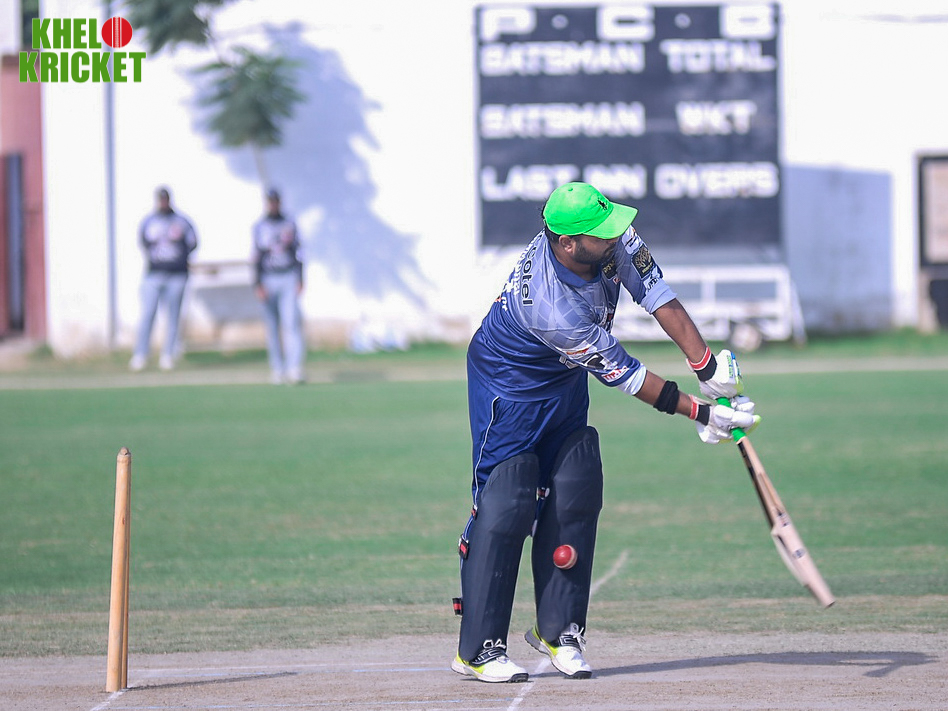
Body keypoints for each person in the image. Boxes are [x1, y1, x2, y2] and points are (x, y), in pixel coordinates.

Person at [451, 182, 759, 683]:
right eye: (602, 233)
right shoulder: (551, 309)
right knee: (507, 500)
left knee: (576, 484)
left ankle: (560, 632)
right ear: (567, 243)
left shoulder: (610, 238)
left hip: (563, 380)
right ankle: (478, 650)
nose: (616, 235)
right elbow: (627, 374)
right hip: (508, 391)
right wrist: (702, 414)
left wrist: (707, 368)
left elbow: (657, 293)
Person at [130, 187, 198, 372]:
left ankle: (168, 354)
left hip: (177, 275)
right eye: (160, 200)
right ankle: (141, 354)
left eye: (165, 199)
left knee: (173, 315)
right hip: (154, 274)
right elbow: (143, 243)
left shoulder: (182, 222)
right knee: (148, 313)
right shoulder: (149, 221)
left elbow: (193, 243)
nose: (163, 203)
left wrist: (178, 260)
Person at [252, 188, 306, 384]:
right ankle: (277, 368)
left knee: (291, 322)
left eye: (275, 201)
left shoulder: (289, 224)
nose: (273, 205)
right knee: (272, 326)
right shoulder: (260, 226)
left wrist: (300, 278)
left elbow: (299, 252)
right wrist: (258, 283)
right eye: (270, 201)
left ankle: (294, 367)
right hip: (269, 278)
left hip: (288, 276)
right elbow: (256, 256)